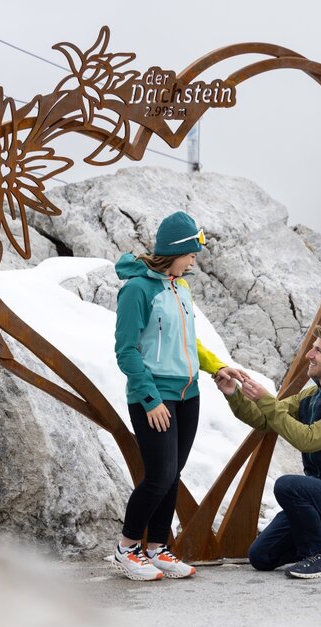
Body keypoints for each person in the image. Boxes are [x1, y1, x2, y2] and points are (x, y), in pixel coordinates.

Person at [112, 211, 236, 581]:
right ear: (176, 250)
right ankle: (126, 547)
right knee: (158, 476)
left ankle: (157, 548)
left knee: (173, 475)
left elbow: (187, 341)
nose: (195, 259)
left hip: (188, 394)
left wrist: (215, 366)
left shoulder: (180, 286)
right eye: (192, 252)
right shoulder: (137, 289)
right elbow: (126, 350)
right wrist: (150, 398)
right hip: (154, 396)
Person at [214, 325, 321, 579]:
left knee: (288, 486)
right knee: (261, 556)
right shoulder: (310, 395)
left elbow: (309, 440)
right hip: (318, 500)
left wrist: (266, 400)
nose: (309, 355)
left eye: (317, 351)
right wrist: (234, 394)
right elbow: (265, 420)